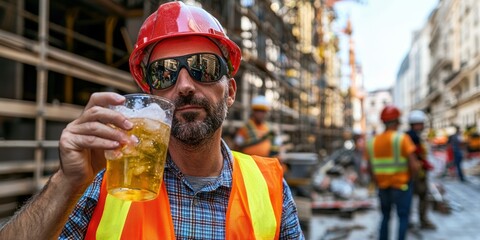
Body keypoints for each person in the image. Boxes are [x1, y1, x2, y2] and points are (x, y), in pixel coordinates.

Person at [0, 2, 304, 239]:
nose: (184, 85)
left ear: (230, 92)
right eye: (165, 72)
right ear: (150, 97)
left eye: (203, 67)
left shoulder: (270, 188)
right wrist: (65, 183)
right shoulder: (105, 182)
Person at [365, 105, 419, 240]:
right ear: (397, 121)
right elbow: (414, 165)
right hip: (402, 185)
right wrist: (411, 179)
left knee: (385, 217)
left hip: (383, 186)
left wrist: (376, 181)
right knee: (403, 217)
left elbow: (369, 168)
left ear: (383, 122)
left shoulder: (372, 141)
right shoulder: (402, 138)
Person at [406, 110, 436, 230]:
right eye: (422, 123)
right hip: (417, 173)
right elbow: (415, 155)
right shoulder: (413, 137)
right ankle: (423, 221)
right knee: (423, 196)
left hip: (412, 172)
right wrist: (425, 165)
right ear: (416, 124)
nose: (423, 126)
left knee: (411, 197)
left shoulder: (410, 135)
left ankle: (408, 221)